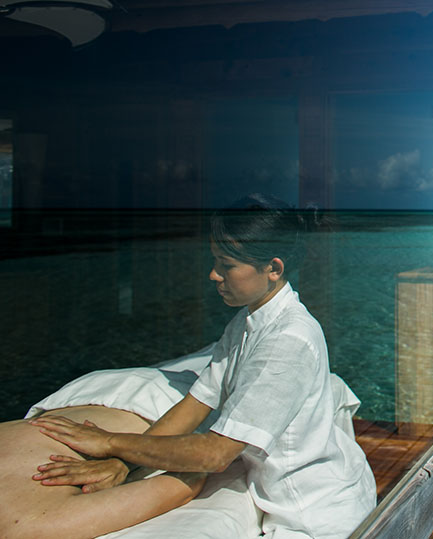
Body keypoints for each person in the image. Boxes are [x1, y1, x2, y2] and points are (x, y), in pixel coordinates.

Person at [30, 195, 376, 539]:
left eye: (226, 265)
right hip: (290, 504)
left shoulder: (288, 341)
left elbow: (215, 454)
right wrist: (123, 464)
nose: (213, 275)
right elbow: (195, 404)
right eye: (215, 262)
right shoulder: (247, 322)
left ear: (273, 268)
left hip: (315, 517)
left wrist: (110, 443)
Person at [1, 405, 205, 539]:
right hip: (82, 395)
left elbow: (186, 480)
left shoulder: (29, 526)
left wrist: (122, 463)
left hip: (166, 411)